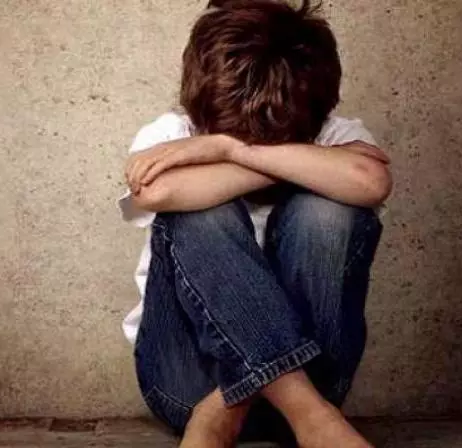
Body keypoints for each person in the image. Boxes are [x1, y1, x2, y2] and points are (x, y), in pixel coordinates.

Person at [117, 1, 392, 446]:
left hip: (320, 378)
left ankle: (275, 405)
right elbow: (156, 193)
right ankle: (296, 413)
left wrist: (229, 151)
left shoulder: (334, 132)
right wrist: (287, 162)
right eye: (232, 136)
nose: (248, 140)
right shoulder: (173, 134)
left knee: (329, 211)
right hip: (188, 387)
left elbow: (371, 182)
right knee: (199, 210)